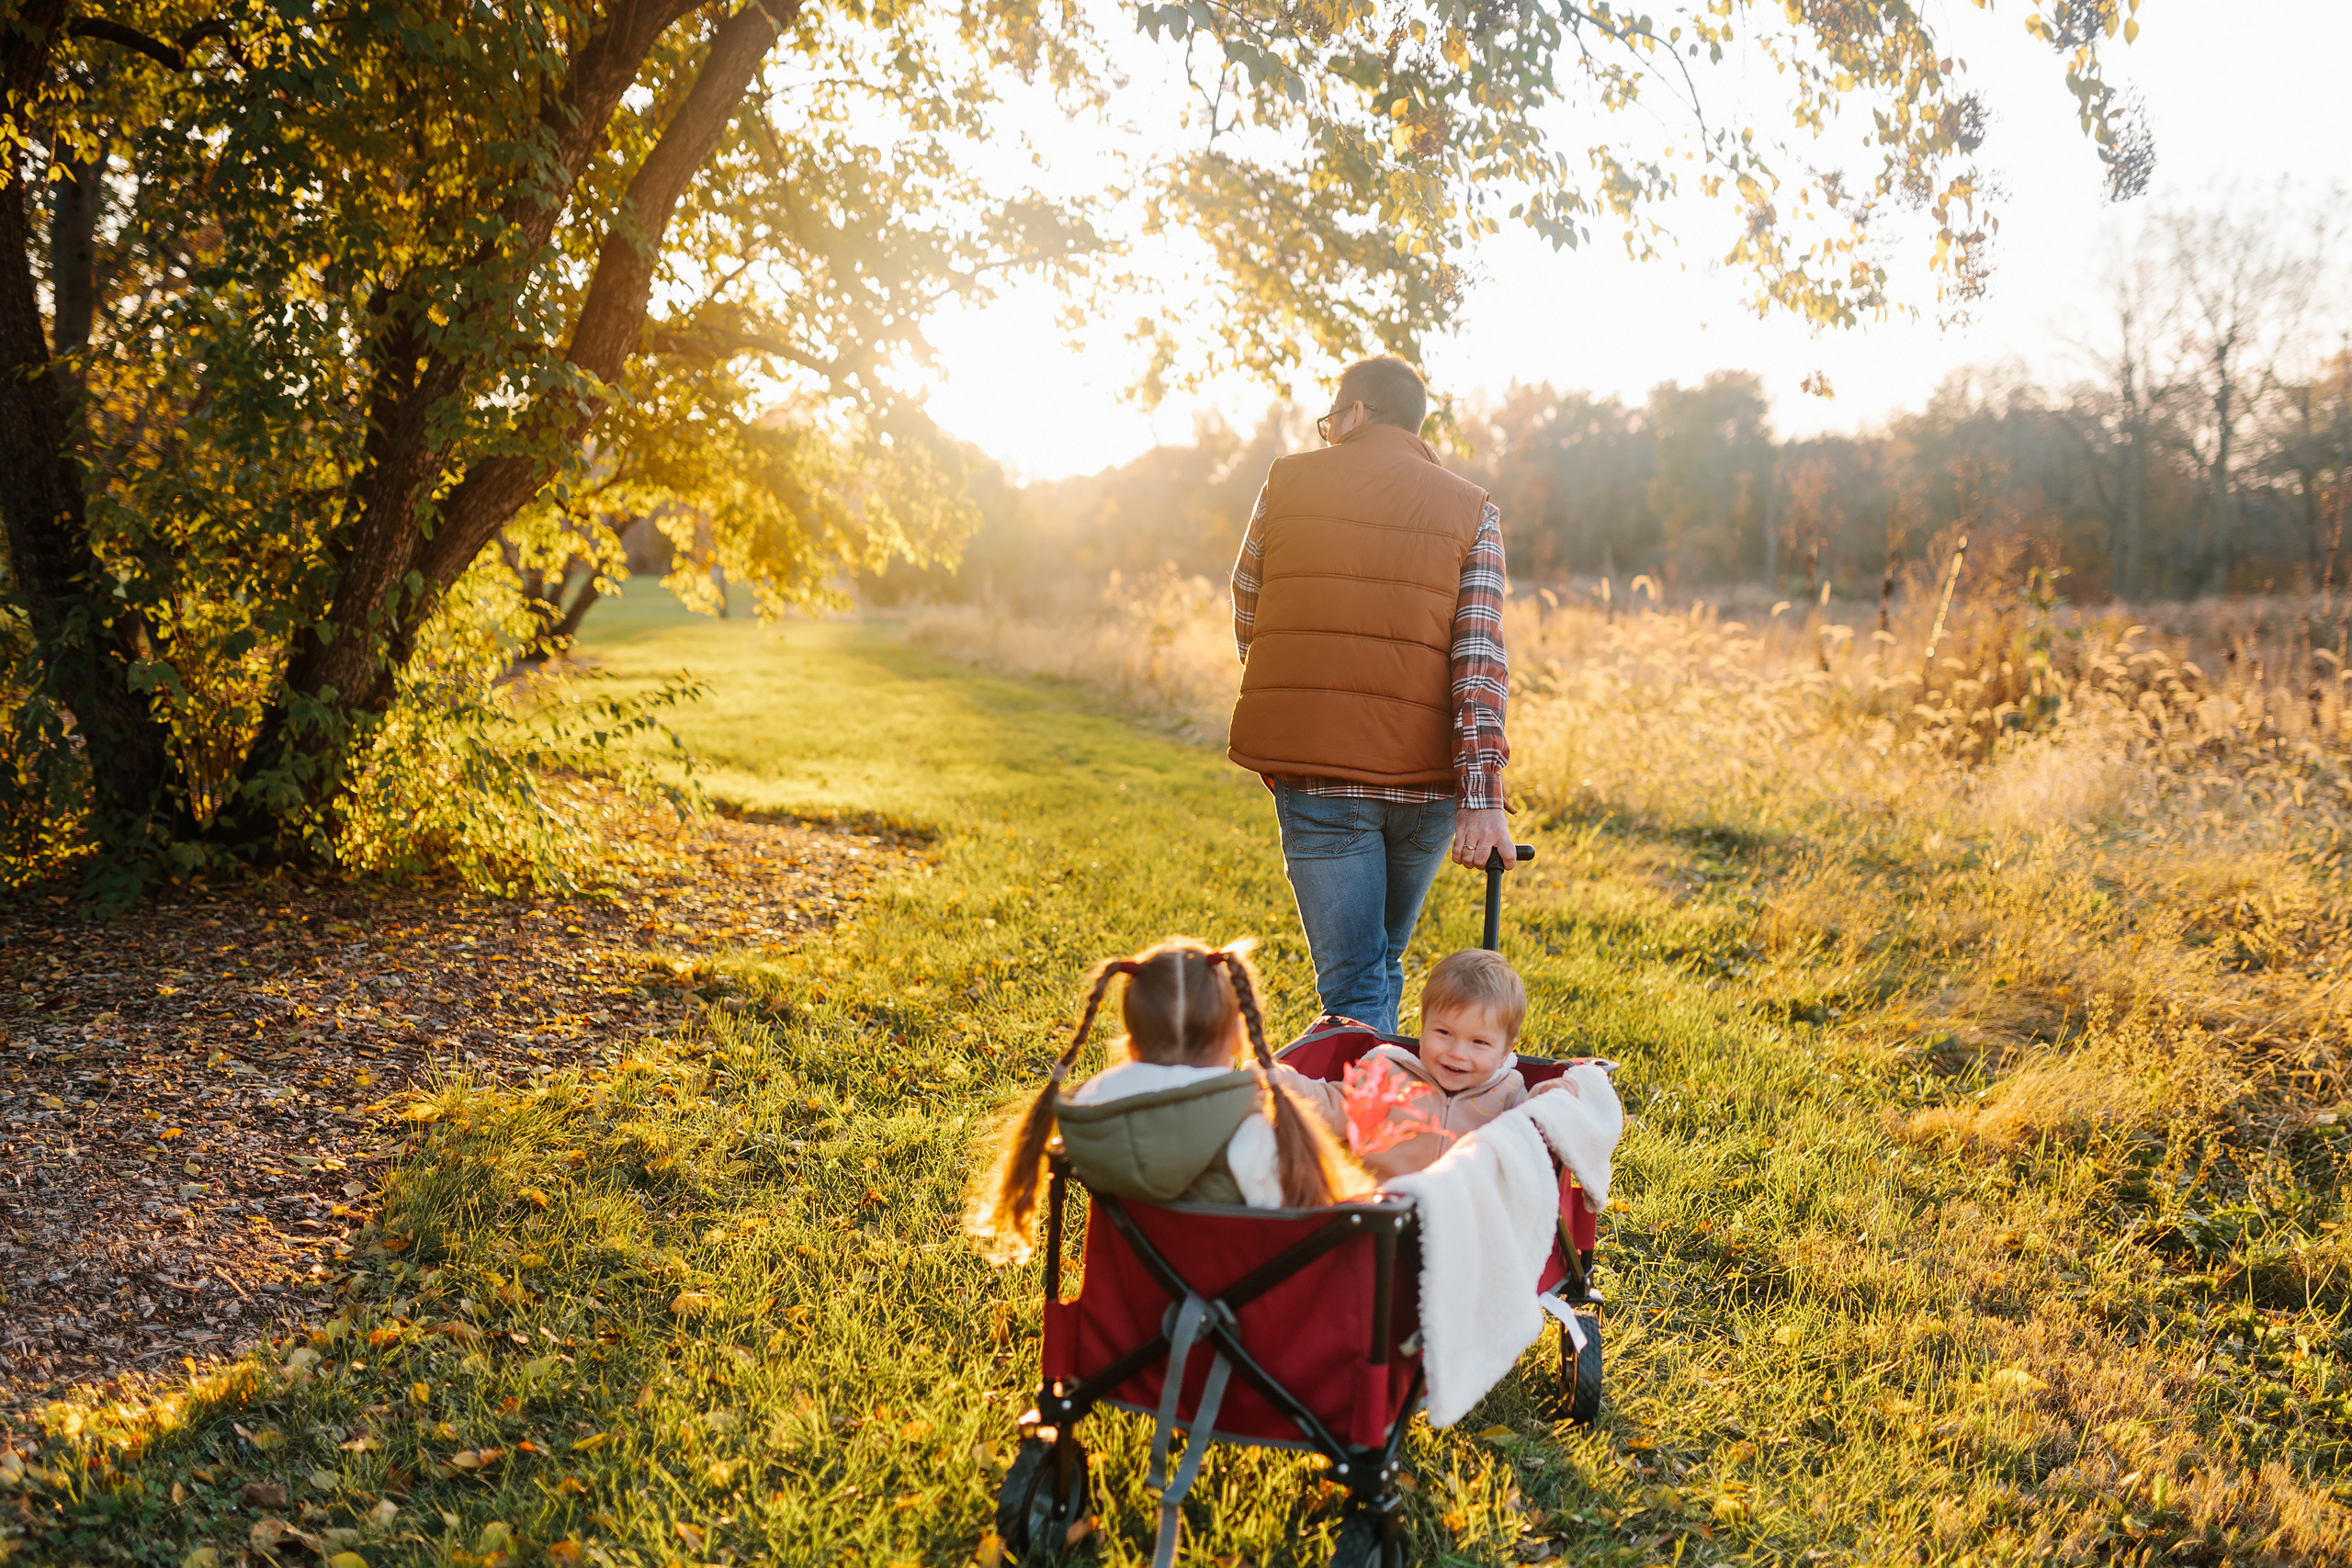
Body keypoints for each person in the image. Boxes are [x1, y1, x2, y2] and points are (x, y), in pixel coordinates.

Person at [1228, 355, 1515, 1034]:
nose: (1327, 433)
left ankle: (1365, 1101)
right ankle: (1388, 1088)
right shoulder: (1473, 507)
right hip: (1427, 786)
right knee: (1380, 961)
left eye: (1331, 419)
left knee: (1356, 983)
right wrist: (1482, 798)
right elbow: (1479, 661)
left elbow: (1247, 599)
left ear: (1356, 412)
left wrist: (1297, 688)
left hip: (1319, 773)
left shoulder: (1285, 480)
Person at [966, 937, 1365, 1259]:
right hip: (1238, 1313)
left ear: (1131, 1044)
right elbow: (1307, 1235)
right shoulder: (1250, 1132)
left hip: (1134, 1312)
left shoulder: (1090, 1114)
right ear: (1235, 1037)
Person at [1278, 949, 1569, 1180]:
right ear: (1424, 1026)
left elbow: (1533, 1136)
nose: (1457, 1053)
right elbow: (1333, 1106)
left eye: (1479, 1042)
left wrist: (1553, 1098)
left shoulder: (1509, 1093)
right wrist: (1283, 1081)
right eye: (1444, 1033)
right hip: (1382, 1211)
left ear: (1506, 1051)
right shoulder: (1389, 1073)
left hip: (1463, 1218)